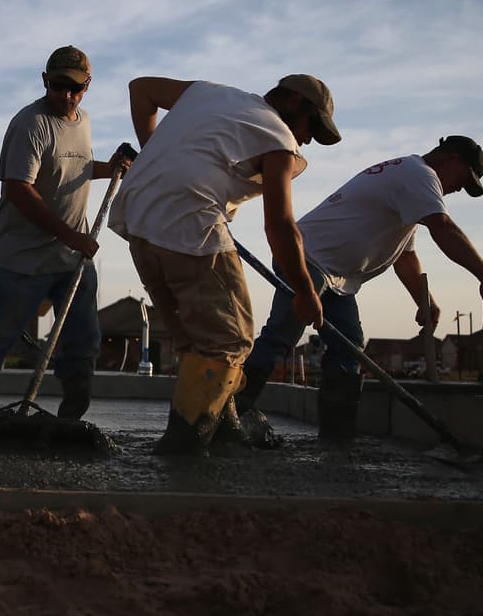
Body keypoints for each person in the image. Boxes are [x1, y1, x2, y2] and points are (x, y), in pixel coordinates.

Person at [107, 74, 342, 455]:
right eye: (312, 127)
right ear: (295, 104)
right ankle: (185, 445)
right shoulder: (279, 137)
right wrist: (305, 291)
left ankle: (226, 426)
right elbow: (281, 227)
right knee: (229, 340)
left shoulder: (210, 95)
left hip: (137, 219)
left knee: (197, 342)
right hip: (188, 222)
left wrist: (151, 151)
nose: (310, 138)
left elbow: (140, 88)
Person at [237, 135, 483, 441]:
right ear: (451, 159)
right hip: (307, 258)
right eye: (463, 180)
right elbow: (443, 228)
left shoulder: (410, 183)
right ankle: (228, 412)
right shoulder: (420, 175)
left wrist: (424, 300)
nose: (457, 189)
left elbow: (405, 256)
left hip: (335, 276)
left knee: (349, 348)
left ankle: (337, 437)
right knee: (282, 335)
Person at [0, 46, 132, 429]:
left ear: (88, 87)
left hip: (72, 259)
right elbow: (18, 190)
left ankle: (69, 425)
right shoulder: (31, 124)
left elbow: (78, 169)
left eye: (75, 88)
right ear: (45, 81)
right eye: (59, 86)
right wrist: (71, 236)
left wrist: (113, 168)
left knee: (82, 344)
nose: (67, 95)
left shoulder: (84, 120)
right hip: (23, 258)